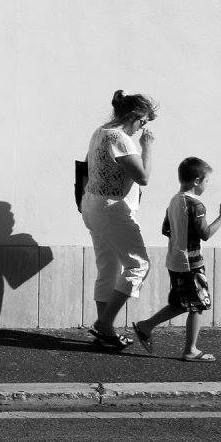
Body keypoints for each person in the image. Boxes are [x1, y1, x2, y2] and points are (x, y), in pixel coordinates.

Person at [132, 158, 221, 361]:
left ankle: (145, 326)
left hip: (174, 260)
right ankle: (191, 350)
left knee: (180, 303)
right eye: (207, 181)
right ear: (197, 181)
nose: (207, 185)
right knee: (198, 305)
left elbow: (165, 229)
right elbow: (205, 234)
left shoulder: (174, 200)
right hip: (191, 263)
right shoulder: (196, 205)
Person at [79, 90, 157, 348]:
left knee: (108, 269)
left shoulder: (100, 132)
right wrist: (147, 147)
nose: (142, 127)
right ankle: (104, 324)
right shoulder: (120, 138)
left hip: (92, 204)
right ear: (133, 116)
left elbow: (89, 166)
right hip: (112, 209)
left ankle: (106, 333)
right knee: (138, 265)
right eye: (143, 121)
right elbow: (143, 177)